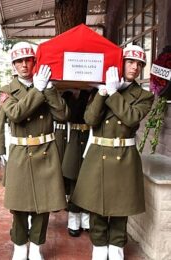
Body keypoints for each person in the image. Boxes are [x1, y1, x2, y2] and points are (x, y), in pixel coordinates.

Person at [71, 45, 154, 260]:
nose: (135, 67)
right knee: (96, 204)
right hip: (98, 152)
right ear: (120, 62)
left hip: (124, 155)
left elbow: (131, 118)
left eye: (139, 64)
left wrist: (114, 93)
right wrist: (102, 92)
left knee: (121, 205)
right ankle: (99, 246)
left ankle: (116, 247)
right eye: (130, 62)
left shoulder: (144, 95)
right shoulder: (101, 88)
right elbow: (90, 119)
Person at [0, 42, 68, 260]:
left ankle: (36, 245)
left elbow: (63, 115)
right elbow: (16, 114)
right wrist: (38, 90)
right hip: (20, 151)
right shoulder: (6, 90)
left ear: (35, 62)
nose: (24, 65)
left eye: (28, 60)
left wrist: (47, 89)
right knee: (19, 205)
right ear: (13, 65)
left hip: (46, 150)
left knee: (43, 204)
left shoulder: (48, 86)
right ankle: (20, 244)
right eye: (19, 61)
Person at [60, 89, 92, 237]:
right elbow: (73, 115)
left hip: (91, 139)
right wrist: (77, 94)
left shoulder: (98, 93)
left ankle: (86, 219)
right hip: (74, 139)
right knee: (74, 183)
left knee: (89, 184)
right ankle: (74, 220)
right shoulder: (67, 95)